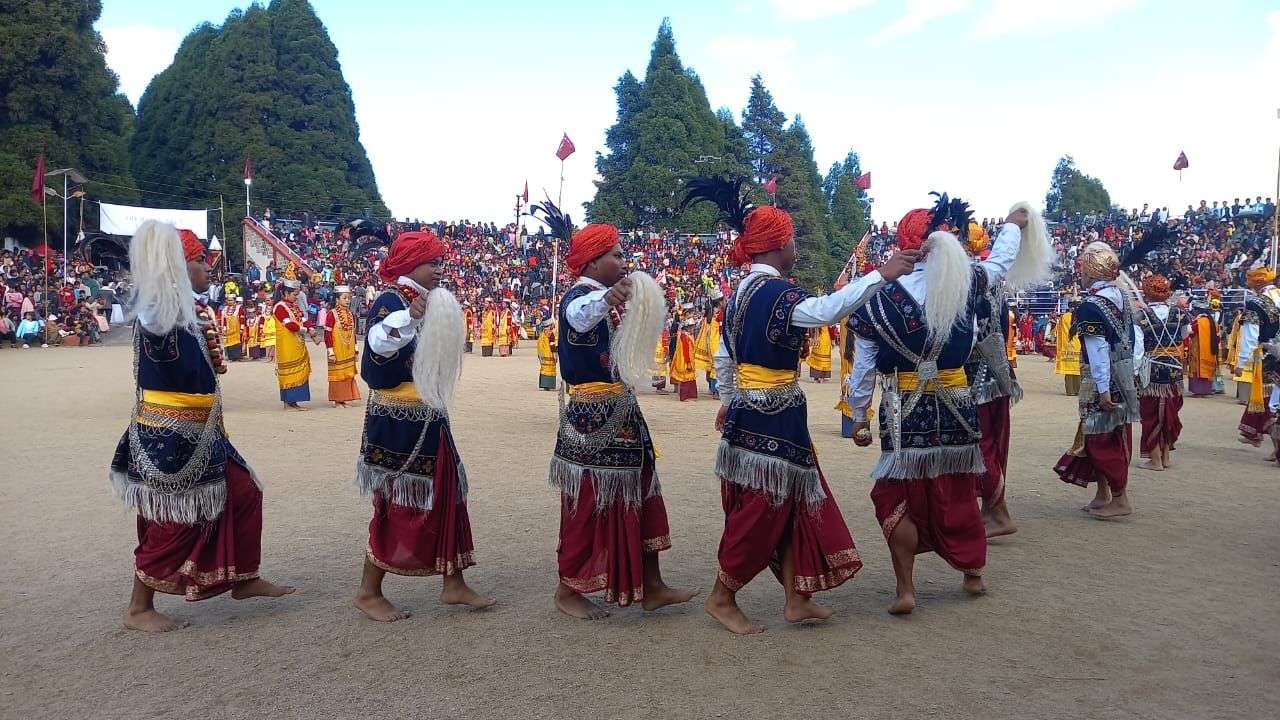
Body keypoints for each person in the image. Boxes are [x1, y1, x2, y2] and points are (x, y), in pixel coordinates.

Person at [683, 178, 917, 633]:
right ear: (776, 246)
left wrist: (728, 401)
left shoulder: (735, 297)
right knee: (762, 507)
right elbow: (828, 310)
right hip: (774, 415)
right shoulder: (781, 295)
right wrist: (880, 275)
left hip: (753, 411)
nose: (795, 246)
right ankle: (722, 595)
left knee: (790, 502)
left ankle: (796, 596)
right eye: (791, 239)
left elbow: (725, 356)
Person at [849, 197, 1032, 615]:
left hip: (902, 410)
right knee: (958, 489)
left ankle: (906, 590)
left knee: (898, 496)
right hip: (957, 404)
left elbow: (863, 366)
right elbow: (999, 264)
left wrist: (859, 415)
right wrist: (1010, 226)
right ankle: (972, 573)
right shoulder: (965, 282)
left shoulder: (876, 300)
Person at [110, 221, 294, 632]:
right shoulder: (161, 309)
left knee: (245, 491)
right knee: (175, 518)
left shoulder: (186, 310)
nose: (208, 268)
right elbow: (160, 316)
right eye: (197, 261)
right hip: (169, 434)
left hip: (202, 430)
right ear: (176, 269)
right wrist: (163, 262)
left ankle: (243, 577)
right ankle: (139, 606)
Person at [531, 201, 695, 621]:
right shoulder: (578, 299)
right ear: (593, 261)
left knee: (643, 490)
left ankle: (652, 585)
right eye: (616, 255)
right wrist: (610, 297)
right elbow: (581, 318)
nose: (624, 261)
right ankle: (568, 589)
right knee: (588, 501)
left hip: (623, 410)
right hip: (590, 416)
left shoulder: (606, 297)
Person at [353, 229, 493, 622]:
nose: (440, 269)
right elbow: (379, 343)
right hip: (398, 421)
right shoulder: (391, 301)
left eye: (440, 262)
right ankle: (369, 591)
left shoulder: (425, 300)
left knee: (448, 494)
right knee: (398, 503)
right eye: (433, 262)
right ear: (411, 263)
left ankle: (454, 581)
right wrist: (411, 317)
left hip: (429, 416)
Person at [1053, 240, 1147, 519]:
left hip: (1101, 380)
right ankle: (1103, 493)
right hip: (1124, 373)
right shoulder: (1122, 300)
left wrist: (1103, 388)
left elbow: (1097, 350)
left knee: (1101, 437)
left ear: (1091, 272)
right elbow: (1134, 340)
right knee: (1109, 433)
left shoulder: (1090, 306)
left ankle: (1120, 497)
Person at [959, 221, 1021, 539]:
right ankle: (989, 508)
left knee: (979, 445)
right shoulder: (991, 276)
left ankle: (998, 512)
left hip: (973, 377)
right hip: (998, 373)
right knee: (994, 444)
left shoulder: (963, 278)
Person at [1136, 274, 1190, 471]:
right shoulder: (1180, 313)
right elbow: (1185, 334)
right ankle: (1165, 456)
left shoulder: (1141, 316)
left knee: (1151, 413)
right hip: (1174, 370)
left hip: (1153, 371)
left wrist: (1135, 371)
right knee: (1170, 411)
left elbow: (1138, 349)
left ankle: (1155, 460)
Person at [1234, 263, 1280, 450]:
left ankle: (1267, 439)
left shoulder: (1256, 302)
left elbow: (1251, 335)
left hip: (1269, 354)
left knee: (1269, 400)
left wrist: (1242, 361)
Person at [272, 265, 318, 410]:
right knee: (289, 373)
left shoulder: (294, 306)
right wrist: (307, 331)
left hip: (297, 344)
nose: (296, 297)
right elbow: (290, 325)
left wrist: (312, 330)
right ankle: (288, 402)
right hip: (287, 346)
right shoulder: (280, 307)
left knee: (299, 372)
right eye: (294, 294)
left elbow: (303, 319)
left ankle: (294, 402)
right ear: (285, 293)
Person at [323, 282, 361, 407]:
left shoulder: (350, 314)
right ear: (337, 299)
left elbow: (353, 334)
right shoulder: (331, 314)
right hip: (337, 350)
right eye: (344, 298)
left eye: (349, 297)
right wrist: (331, 352)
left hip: (348, 350)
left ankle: (344, 399)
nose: (347, 300)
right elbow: (327, 334)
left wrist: (356, 350)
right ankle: (337, 400)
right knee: (338, 375)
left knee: (347, 374)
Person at [692, 289, 723, 397]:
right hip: (715, 343)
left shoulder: (709, 315)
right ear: (719, 302)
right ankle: (715, 390)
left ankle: (711, 388)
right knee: (716, 366)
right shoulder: (717, 315)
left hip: (709, 343)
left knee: (711, 366)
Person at [1187, 299, 1219, 396]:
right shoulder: (1212, 321)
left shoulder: (1199, 321)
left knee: (1197, 369)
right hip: (1210, 351)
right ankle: (1206, 390)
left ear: (1198, 311)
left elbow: (1190, 331)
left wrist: (1189, 323)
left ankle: (1198, 391)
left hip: (1198, 350)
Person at [1055, 299, 1082, 395]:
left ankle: (1070, 391)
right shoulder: (1081, 316)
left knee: (1068, 369)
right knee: (1078, 369)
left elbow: (1059, 331)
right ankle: (1078, 390)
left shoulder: (1064, 317)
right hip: (1079, 345)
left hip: (1067, 345)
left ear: (1070, 307)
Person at [668, 316, 699, 401]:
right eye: (692, 327)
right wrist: (688, 363)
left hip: (689, 360)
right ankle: (685, 396)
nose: (693, 328)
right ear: (688, 327)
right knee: (686, 379)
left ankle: (690, 395)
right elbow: (686, 351)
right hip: (686, 361)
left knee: (690, 378)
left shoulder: (686, 335)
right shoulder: (685, 337)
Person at [536, 319, 557, 390]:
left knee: (544, 369)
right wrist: (555, 354)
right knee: (550, 370)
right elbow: (552, 345)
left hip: (543, 356)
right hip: (549, 356)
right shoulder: (551, 334)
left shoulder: (542, 334)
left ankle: (544, 384)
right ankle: (549, 385)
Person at [222, 297, 245, 362]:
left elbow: (242, 318)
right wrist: (224, 329)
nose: (229, 301)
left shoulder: (239, 308)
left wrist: (241, 328)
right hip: (228, 329)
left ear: (234, 300)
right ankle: (231, 357)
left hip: (237, 329)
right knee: (229, 343)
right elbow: (224, 320)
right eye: (228, 300)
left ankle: (237, 357)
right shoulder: (225, 309)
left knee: (236, 343)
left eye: (231, 300)